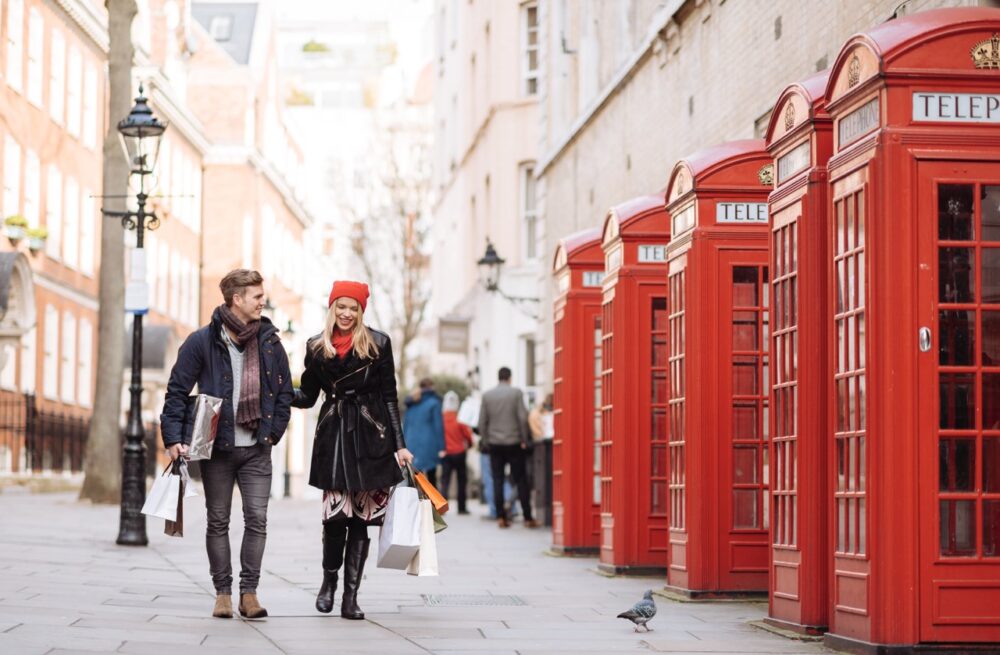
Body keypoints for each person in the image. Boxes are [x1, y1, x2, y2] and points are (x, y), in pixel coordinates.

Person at [160, 269, 293, 620]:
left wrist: (274, 431)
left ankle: (249, 593)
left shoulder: (270, 342)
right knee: (217, 520)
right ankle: (222, 592)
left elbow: (284, 393)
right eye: (257, 296)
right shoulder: (201, 341)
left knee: (257, 519)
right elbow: (176, 391)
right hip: (217, 449)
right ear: (237, 299)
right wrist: (173, 437)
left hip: (256, 449)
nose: (263, 301)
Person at [291, 280, 413, 620]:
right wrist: (279, 390)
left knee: (360, 521)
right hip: (334, 437)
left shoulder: (378, 344)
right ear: (332, 308)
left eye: (353, 308)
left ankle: (351, 597)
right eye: (341, 307)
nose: (346, 313)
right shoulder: (316, 347)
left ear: (361, 311)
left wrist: (400, 446)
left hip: (370, 436)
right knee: (334, 519)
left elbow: (390, 396)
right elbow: (308, 396)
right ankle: (328, 583)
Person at [478, 367, 539, 528]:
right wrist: (525, 439)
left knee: (497, 480)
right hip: (514, 443)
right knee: (521, 480)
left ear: (498, 378)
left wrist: (485, 441)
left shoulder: (487, 395)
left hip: (495, 444)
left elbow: (482, 422)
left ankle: (501, 517)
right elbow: (522, 417)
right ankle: (527, 517)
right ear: (509, 378)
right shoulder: (516, 393)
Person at [402, 378, 444, 487]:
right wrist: (442, 448)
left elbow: (405, 425)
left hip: (411, 444)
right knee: (431, 478)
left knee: (414, 478)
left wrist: (402, 445)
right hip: (429, 444)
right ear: (432, 387)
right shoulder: (434, 403)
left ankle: (416, 503)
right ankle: (433, 503)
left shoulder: (411, 403)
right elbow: (438, 426)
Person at [439, 390, 473, 515]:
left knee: (445, 481)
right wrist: (469, 445)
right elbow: (468, 435)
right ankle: (462, 507)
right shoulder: (460, 417)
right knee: (462, 480)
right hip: (459, 452)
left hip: (446, 453)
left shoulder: (441, 418)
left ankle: (442, 508)